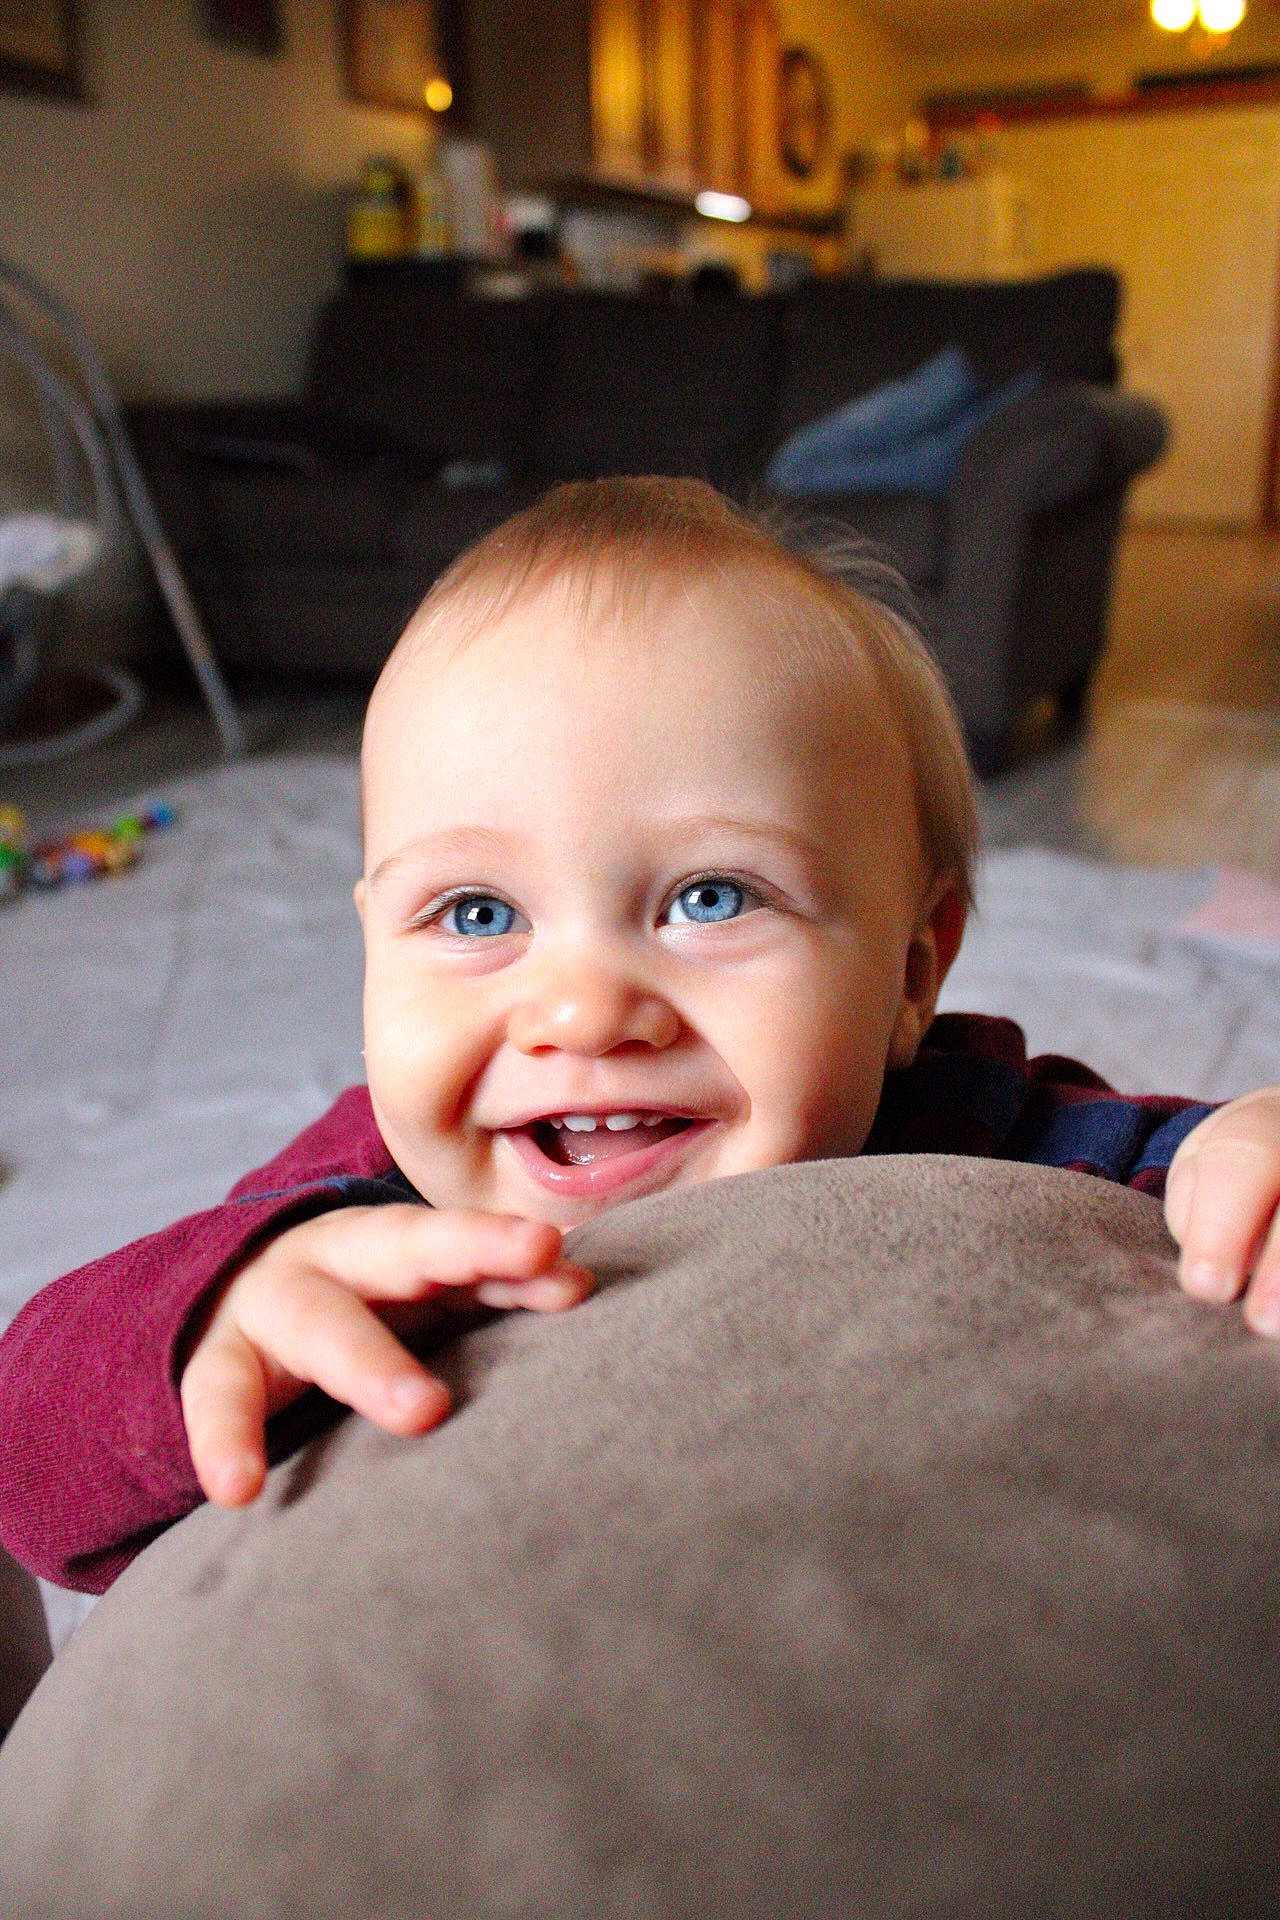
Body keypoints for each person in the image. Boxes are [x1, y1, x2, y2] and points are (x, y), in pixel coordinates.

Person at [2, 477, 1278, 1597]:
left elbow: (1185, 1182)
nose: (582, 1011)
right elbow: (26, 1464)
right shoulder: (355, 1222)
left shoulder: (991, 1133)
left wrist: (1239, 1152)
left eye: (708, 897)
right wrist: (207, 1321)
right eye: (476, 911)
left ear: (909, 972)